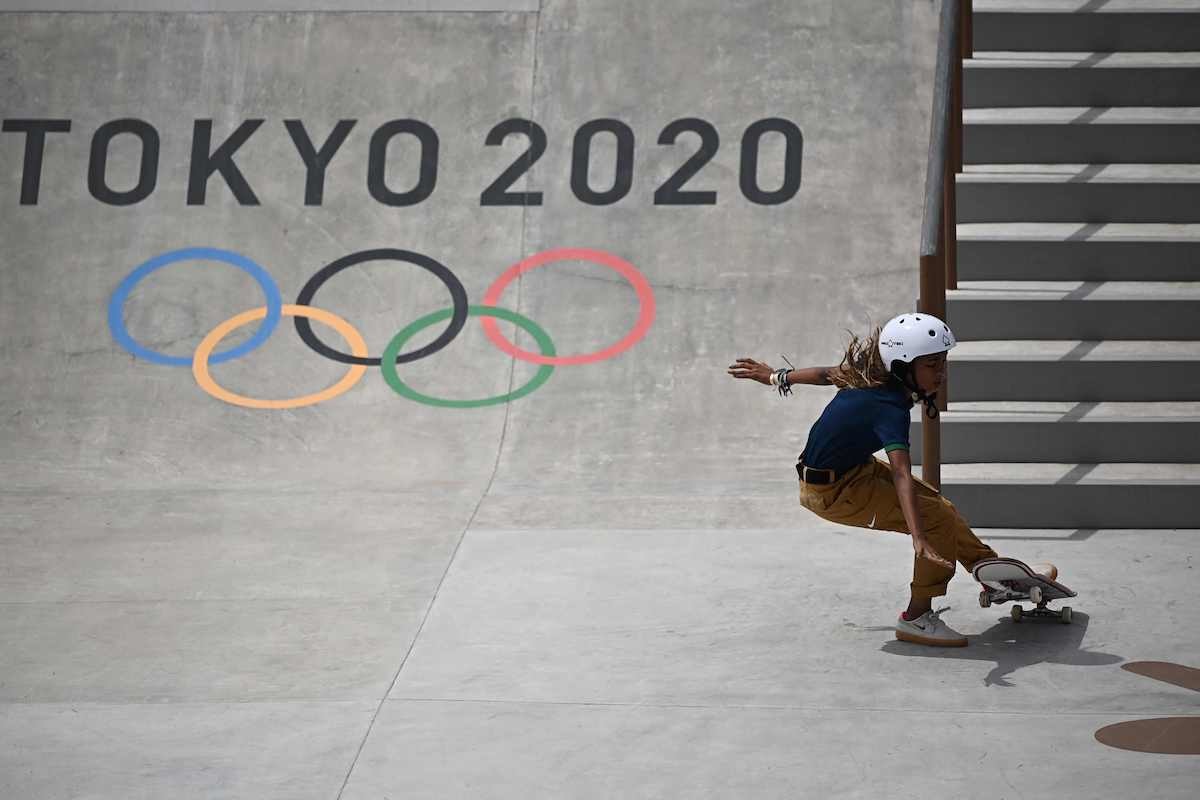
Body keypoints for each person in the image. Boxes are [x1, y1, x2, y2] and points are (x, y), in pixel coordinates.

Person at [727, 313, 1055, 647]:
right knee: (933, 520)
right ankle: (916, 618)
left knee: (942, 508)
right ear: (902, 366)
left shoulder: (868, 377)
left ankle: (989, 570)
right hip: (833, 494)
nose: (941, 374)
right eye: (931, 365)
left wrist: (776, 376)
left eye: (943, 363)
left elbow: (826, 374)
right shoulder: (889, 408)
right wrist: (918, 536)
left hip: (854, 470)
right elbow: (900, 471)